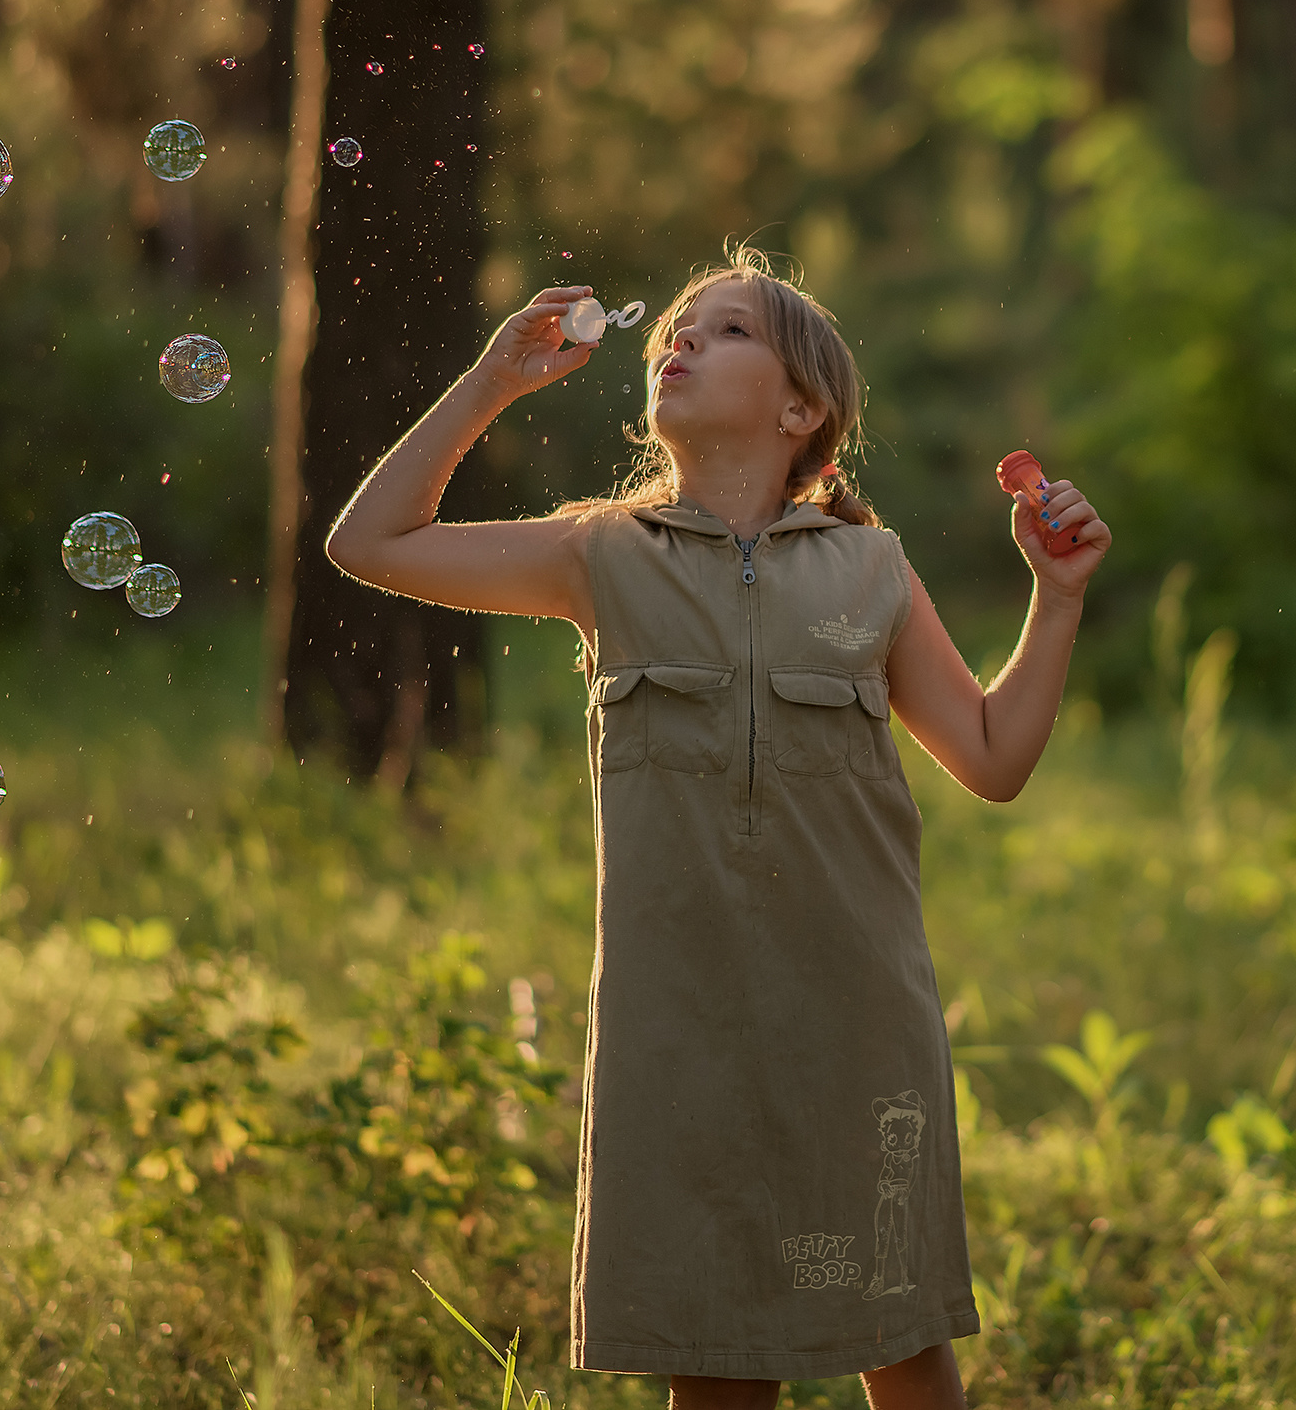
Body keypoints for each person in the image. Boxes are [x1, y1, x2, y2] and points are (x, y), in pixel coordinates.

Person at [325, 247, 1112, 1410]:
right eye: (673, 332)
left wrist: (1056, 599)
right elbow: (368, 542)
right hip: (675, 1021)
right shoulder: (598, 552)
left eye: (725, 329)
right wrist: (490, 383)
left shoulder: (871, 566)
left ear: (801, 407)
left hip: (853, 1011)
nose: (678, 340)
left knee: (892, 1329)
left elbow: (991, 757)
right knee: (713, 1345)